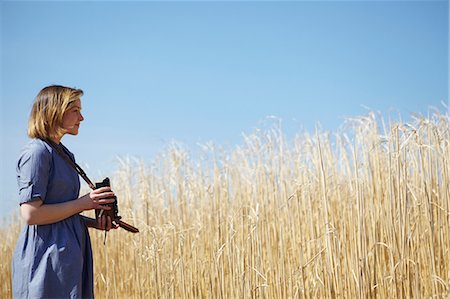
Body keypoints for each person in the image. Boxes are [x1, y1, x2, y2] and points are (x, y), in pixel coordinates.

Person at [12, 85, 117, 298]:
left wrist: (92, 222)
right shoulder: (37, 153)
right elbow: (31, 215)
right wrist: (84, 203)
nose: (82, 117)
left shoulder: (64, 153)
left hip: (66, 256)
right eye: (75, 110)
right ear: (55, 111)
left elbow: (59, 211)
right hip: (45, 258)